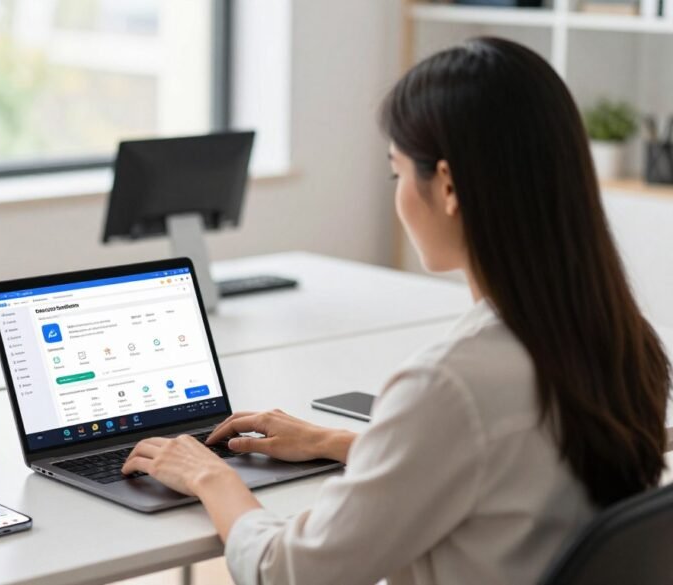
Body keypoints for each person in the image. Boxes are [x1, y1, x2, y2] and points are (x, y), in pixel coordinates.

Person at [121, 37, 670, 585]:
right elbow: (509, 472)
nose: (398, 193)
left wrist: (210, 476)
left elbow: (288, 572)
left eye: (397, 173)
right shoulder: (625, 342)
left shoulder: (450, 385)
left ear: (447, 186)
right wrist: (334, 442)